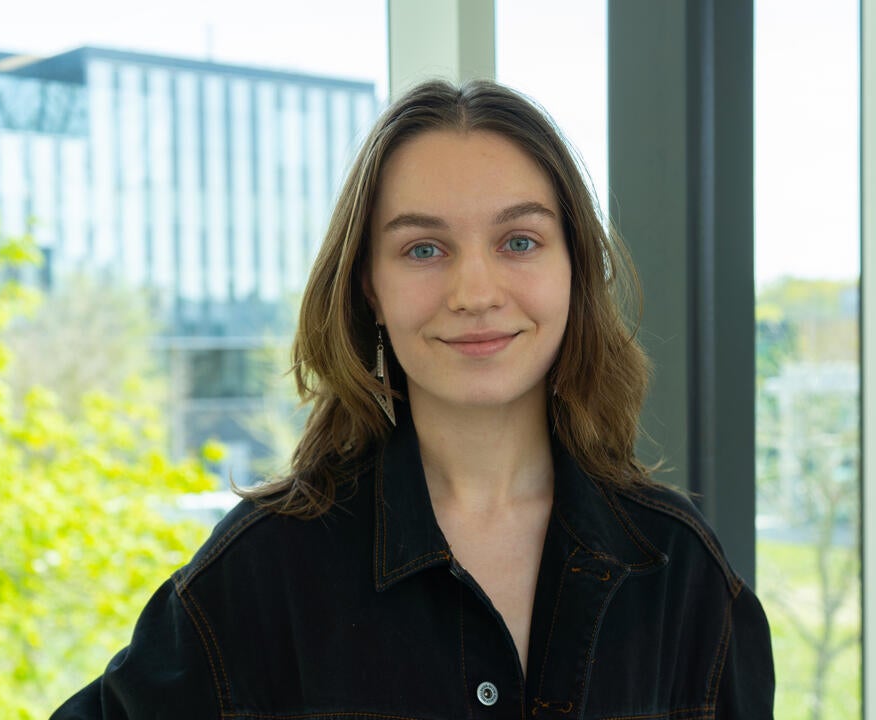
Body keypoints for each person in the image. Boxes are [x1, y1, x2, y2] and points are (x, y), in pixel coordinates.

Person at [52, 79, 774, 719]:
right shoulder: (264, 575)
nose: (475, 294)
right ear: (370, 286)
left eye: (519, 242)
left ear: (576, 268)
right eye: (424, 250)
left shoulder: (683, 576)